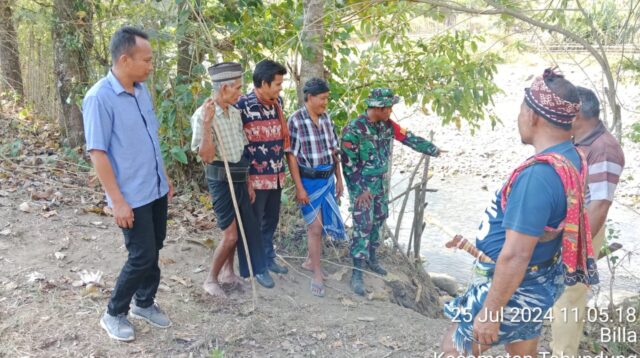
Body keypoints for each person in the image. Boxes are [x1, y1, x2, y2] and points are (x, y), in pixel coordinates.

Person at [440, 68, 599, 356]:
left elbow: (516, 254)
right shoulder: (573, 157)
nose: (519, 117)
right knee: (523, 350)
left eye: (521, 109)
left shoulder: (538, 176)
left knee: (454, 347)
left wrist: (490, 311)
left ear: (533, 115)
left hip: (518, 285)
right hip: (539, 280)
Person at [83, 26, 174, 342]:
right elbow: (98, 153)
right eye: (147, 60)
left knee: (155, 247)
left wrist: (164, 176)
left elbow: (147, 139)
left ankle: (144, 303)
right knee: (142, 255)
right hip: (131, 195)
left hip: (155, 187)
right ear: (125, 59)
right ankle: (114, 312)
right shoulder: (99, 98)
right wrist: (116, 200)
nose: (151, 66)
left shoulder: (141, 89)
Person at [340, 88, 442, 296]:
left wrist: (432, 149)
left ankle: (372, 258)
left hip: (381, 186)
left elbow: (409, 138)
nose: (391, 111)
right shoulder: (354, 129)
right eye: (389, 108)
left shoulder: (387, 126)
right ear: (378, 108)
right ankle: (357, 271)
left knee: (378, 219)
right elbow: (348, 164)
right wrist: (360, 190)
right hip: (363, 188)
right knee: (363, 224)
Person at [550, 86, 625, 356]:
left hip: (582, 229)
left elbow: (601, 203)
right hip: (565, 226)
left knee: (569, 296)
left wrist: (576, 247)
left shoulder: (604, 148)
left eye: (566, 107)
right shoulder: (577, 140)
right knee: (557, 294)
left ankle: (563, 354)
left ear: (578, 113)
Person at [190, 62, 275, 298]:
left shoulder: (235, 112)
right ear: (224, 88)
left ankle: (229, 273)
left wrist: (247, 181)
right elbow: (206, 156)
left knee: (238, 230)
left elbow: (242, 150)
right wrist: (207, 125)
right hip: (220, 179)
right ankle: (210, 279)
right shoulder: (203, 114)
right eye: (237, 88)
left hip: (239, 177)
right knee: (230, 236)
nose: (240, 92)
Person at [285, 78, 346, 297]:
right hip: (309, 182)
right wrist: (299, 187)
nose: (325, 103)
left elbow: (334, 150)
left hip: (327, 178)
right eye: (322, 99)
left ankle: (312, 262)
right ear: (310, 98)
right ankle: (317, 273)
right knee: (315, 227)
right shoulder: (296, 120)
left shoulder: (327, 119)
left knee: (321, 225)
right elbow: (291, 156)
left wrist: (339, 179)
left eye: (326, 99)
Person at [236, 59, 290, 275]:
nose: (280, 88)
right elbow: (238, 145)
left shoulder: (278, 104)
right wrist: (246, 179)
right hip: (255, 178)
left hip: (276, 174)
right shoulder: (243, 105)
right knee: (254, 223)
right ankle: (256, 267)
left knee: (271, 220)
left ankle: (268, 258)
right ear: (264, 83)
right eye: (277, 84)